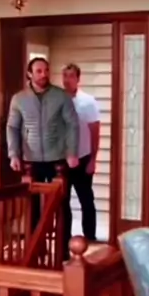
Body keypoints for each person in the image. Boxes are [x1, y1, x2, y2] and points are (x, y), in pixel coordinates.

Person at [6, 56, 79, 183]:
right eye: (39, 71)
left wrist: (72, 152)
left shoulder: (62, 96)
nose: (44, 74)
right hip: (30, 160)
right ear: (29, 74)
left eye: (46, 70)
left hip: (57, 158)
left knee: (59, 194)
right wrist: (13, 155)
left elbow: (72, 124)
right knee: (31, 195)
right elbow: (12, 127)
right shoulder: (19, 98)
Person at [62, 62, 100, 242]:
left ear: (78, 79)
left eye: (71, 76)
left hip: (83, 157)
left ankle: (90, 237)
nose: (67, 80)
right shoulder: (58, 100)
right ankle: (64, 238)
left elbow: (95, 131)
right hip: (62, 160)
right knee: (62, 201)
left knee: (86, 199)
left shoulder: (88, 101)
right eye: (65, 76)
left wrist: (93, 159)